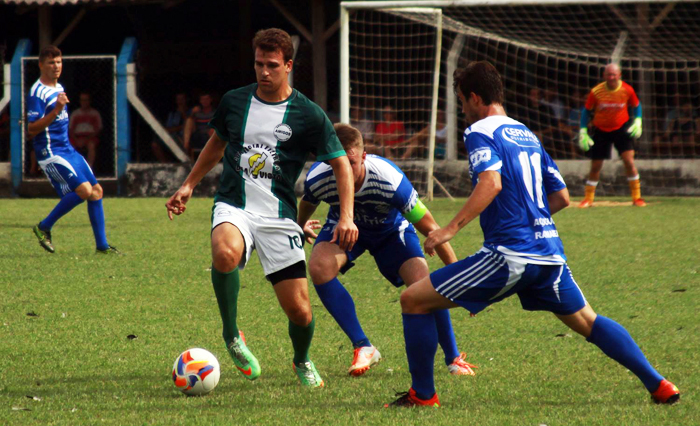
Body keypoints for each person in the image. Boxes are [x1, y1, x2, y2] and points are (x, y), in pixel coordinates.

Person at [385, 61, 679, 408]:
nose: (463, 110)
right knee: (588, 320)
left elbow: (490, 182)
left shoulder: (480, 131)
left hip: (508, 254)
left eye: (463, 102)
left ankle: (423, 396)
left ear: (476, 98)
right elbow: (562, 197)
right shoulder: (527, 134)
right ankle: (659, 384)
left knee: (413, 300)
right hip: (549, 253)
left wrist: (449, 229)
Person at [165, 28, 358, 388]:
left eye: (272, 65)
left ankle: (301, 360)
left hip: (279, 217)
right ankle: (231, 335)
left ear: (288, 66)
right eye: (258, 64)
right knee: (224, 253)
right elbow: (217, 144)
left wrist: (346, 215)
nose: (264, 72)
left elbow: (342, 165)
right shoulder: (235, 102)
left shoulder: (308, 114)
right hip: (234, 204)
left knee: (300, 312)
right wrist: (189, 184)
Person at [298, 123, 476, 377]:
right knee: (319, 267)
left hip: (391, 233)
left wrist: (461, 279)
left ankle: (453, 357)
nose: (344, 171)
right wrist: (300, 224)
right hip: (346, 229)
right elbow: (307, 202)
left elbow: (432, 228)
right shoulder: (319, 177)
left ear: (364, 156)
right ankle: (363, 346)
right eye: (336, 164)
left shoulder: (388, 179)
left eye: (351, 163)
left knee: (422, 282)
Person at [28, 46, 118, 255]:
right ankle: (43, 227)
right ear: (41, 65)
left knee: (96, 192)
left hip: (66, 148)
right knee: (84, 191)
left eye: (59, 62)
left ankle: (102, 247)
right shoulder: (37, 92)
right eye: (51, 62)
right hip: (49, 151)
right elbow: (31, 129)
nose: (56, 66)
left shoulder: (58, 87)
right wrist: (57, 109)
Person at [578, 63, 645, 208]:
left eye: (614, 74)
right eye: (609, 74)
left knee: (629, 162)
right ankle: (588, 198)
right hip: (601, 130)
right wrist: (583, 131)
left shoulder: (627, 90)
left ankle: (637, 197)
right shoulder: (596, 92)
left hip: (621, 129)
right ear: (604, 76)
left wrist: (638, 121)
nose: (611, 77)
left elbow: (637, 105)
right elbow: (586, 111)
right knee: (596, 166)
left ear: (619, 75)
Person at [151, 92, 191, 163]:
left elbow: (190, 126)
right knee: (155, 143)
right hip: (172, 137)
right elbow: (167, 129)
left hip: (185, 139)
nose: (180, 101)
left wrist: (183, 114)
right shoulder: (172, 114)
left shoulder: (191, 111)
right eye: (178, 99)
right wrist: (179, 127)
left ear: (186, 100)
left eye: (182, 99)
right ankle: (165, 164)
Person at [69, 92, 102, 168]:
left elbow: (98, 129)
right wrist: (76, 140)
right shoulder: (75, 114)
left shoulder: (95, 113)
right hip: (76, 137)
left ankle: (89, 168)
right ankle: (73, 167)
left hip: (90, 137)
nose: (84, 102)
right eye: (82, 100)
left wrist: (86, 139)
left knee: (91, 145)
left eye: (86, 100)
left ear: (89, 101)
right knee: (69, 146)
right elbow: (70, 130)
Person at [183, 92, 215, 160]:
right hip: (198, 135)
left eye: (207, 99)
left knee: (213, 131)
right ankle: (185, 149)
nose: (205, 101)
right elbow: (186, 123)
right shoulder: (197, 112)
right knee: (189, 120)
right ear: (200, 101)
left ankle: (212, 158)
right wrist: (192, 113)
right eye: (203, 99)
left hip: (209, 136)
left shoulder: (215, 113)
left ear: (211, 100)